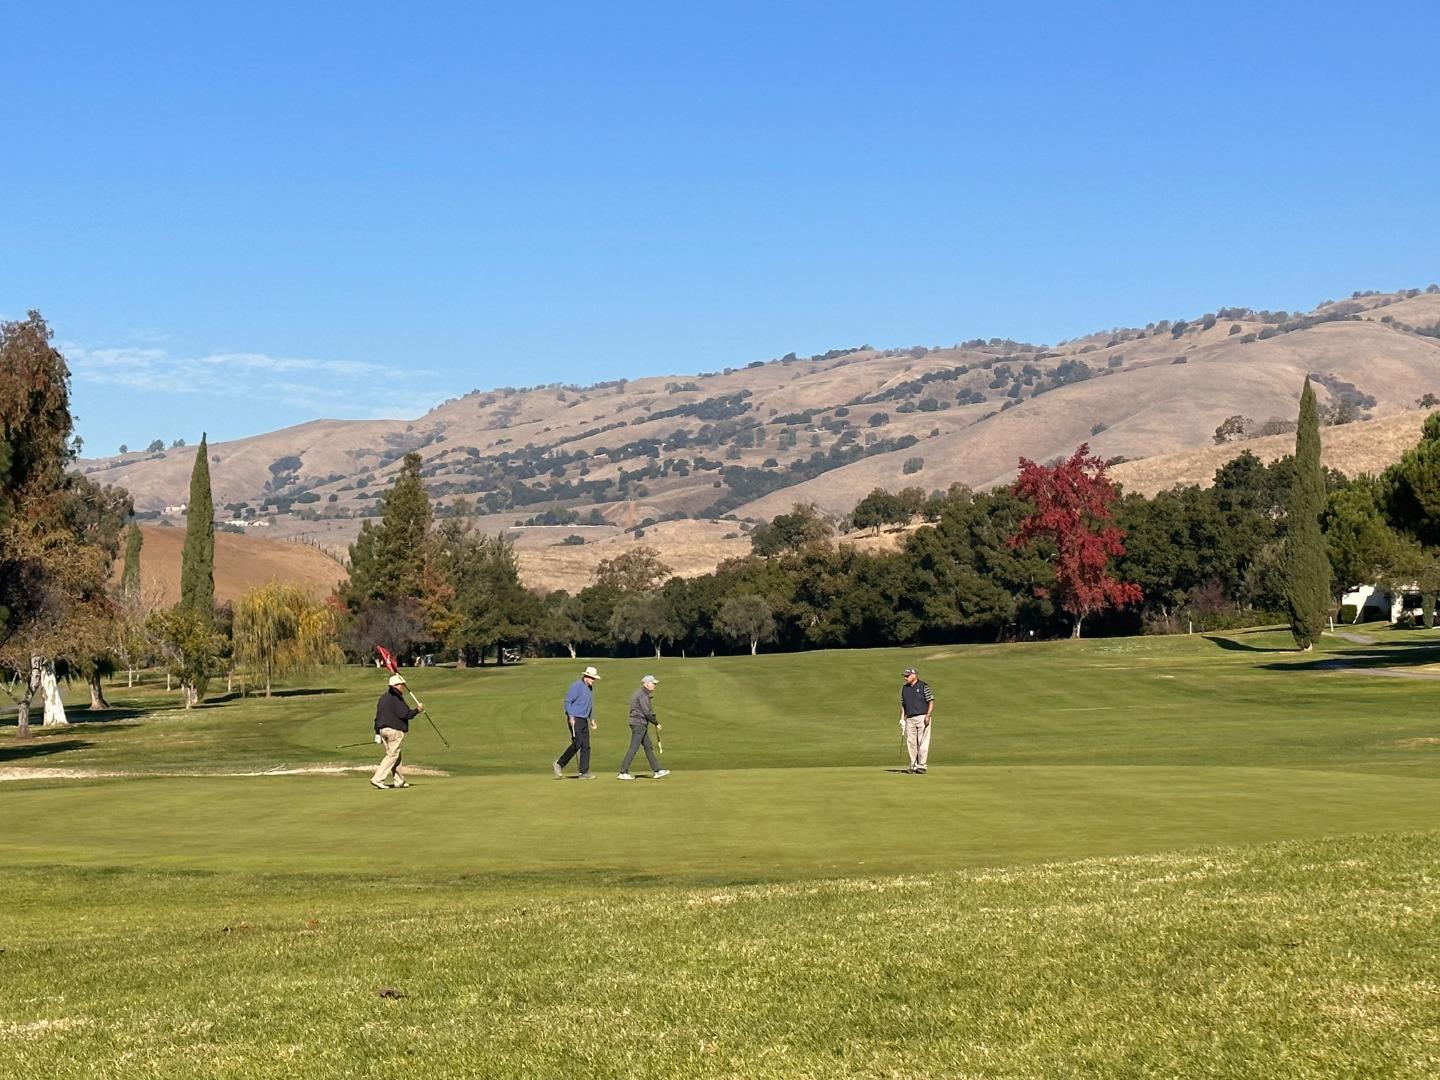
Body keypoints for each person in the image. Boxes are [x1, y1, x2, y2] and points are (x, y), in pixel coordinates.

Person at [372, 673, 423, 789]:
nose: (403, 687)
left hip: (382, 730)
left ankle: (399, 781)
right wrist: (418, 710)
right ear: (397, 685)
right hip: (394, 731)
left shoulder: (383, 698)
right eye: (402, 685)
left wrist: (376, 733)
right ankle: (378, 779)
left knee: (396, 755)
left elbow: (377, 716)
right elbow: (405, 714)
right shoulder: (397, 698)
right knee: (392, 755)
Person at [618, 674, 670, 780]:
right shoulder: (642, 695)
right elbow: (647, 712)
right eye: (653, 683)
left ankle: (657, 770)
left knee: (648, 747)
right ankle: (623, 772)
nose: (654, 686)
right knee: (634, 747)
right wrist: (656, 723)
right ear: (647, 684)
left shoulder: (642, 694)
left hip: (639, 723)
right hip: (639, 723)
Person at [554, 665, 600, 779]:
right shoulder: (577, 686)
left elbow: (590, 705)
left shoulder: (589, 688)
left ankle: (583, 772)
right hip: (575, 718)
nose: (593, 681)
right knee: (577, 743)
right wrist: (571, 717)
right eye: (592, 678)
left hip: (584, 719)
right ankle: (559, 764)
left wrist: (592, 718)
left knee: (586, 746)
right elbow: (568, 701)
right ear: (586, 677)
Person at [899, 667, 934, 774]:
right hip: (910, 718)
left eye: (907, 675)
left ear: (914, 675)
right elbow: (903, 704)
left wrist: (928, 715)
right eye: (905, 676)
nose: (905, 677)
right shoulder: (905, 688)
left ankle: (922, 765)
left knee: (922, 742)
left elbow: (931, 701)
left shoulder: (923, 686)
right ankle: (913, 765)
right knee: (911, 742)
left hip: (922, 717)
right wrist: (902, 719)